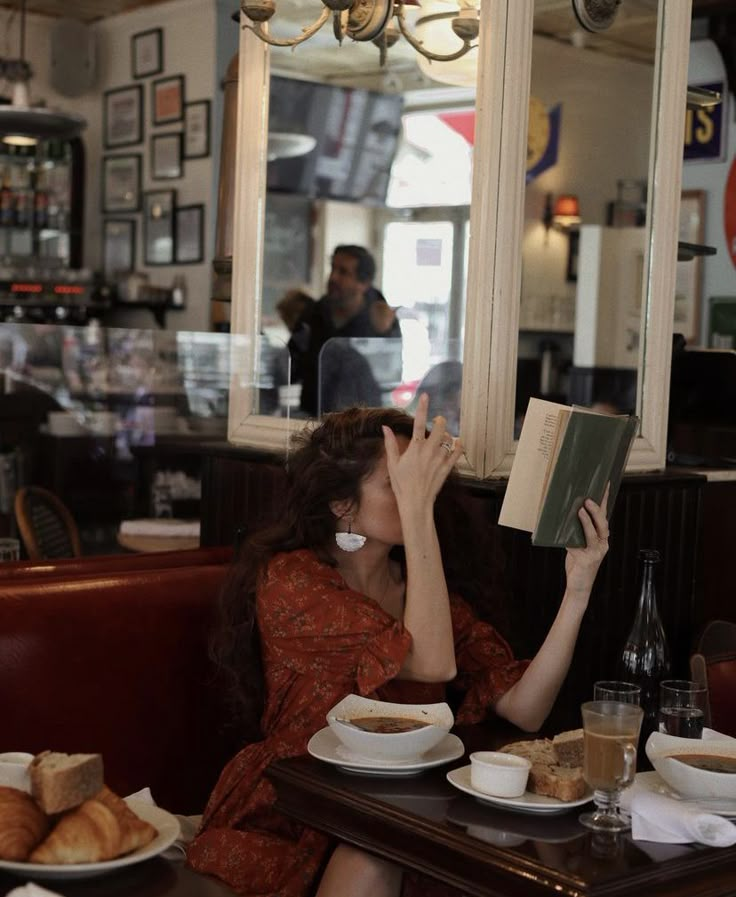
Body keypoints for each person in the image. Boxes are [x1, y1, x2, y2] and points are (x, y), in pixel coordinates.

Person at [186, 395, 610, 897]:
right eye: (399, 483)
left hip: (409, 800)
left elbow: (527, 709)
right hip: (302, 800)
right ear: (341, 503)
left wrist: (579, 586)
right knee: (374, 856)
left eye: (421, 483)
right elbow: (431, 664)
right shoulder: (294, 581)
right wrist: (417, 513)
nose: (420, 494)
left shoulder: (421, 590)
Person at [288, 245, 401, 416]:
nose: (333, 277)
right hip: (315, 422)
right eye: (333, 268)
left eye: (343, 272)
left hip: (362, 426)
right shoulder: (313, 314)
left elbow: (392, 379)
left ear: (363, 283)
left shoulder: (381, 318)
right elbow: (291, 371)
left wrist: (384, 334)